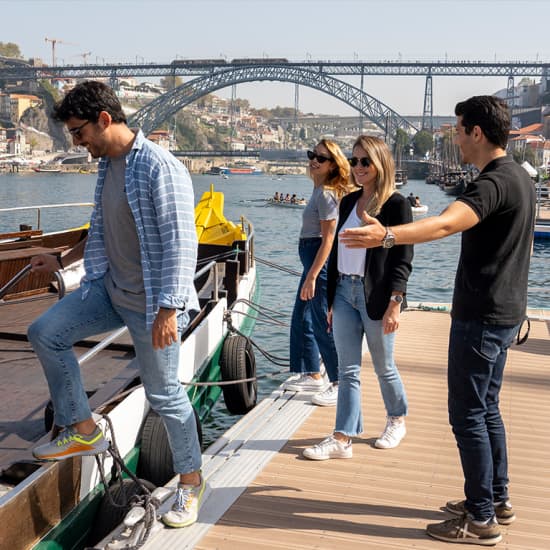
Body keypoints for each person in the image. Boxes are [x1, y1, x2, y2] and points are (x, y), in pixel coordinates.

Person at [340, 96, 535, 546]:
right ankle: (494, 500)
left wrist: (385, 235)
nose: (455, 137)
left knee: (467, 416)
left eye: (458, 129)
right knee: (487, 410)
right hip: (505, 315)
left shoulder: (491, 183)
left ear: (477, 133)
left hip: (481, 318)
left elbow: (447, 224)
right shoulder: (520, 179)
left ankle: (481, 519)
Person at [27, 81, 204, 529]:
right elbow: (103, 226)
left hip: (152, 305)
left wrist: (169, 308)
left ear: (105, 120)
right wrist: (64, 258)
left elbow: (183, 244)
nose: (76, 142)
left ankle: (191, 482)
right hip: (110, 289)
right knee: (45, 333)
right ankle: (83, 430)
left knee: (165, 395)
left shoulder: (159, 167)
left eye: (79, 131)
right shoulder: (108, 164)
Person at [302, 135, 413, 461]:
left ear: (380, 163)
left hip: (376, 295)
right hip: (345, 294)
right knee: (348, 370)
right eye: (354, 161)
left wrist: (396, 301)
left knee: (383, 366)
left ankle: (397, 418)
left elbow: (403, 258)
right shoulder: (349, 201)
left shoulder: (396, 204)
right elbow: (336, 252)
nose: (358, 167)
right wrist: (334, 298)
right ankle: (342, 438)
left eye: (365, 161)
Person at [285, 141, 351, 407]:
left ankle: (339, 382)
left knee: (322, 319)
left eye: (321, 158)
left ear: (333, 164)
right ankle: (312, 373)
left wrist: (313, 275)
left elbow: (329, 239)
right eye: (312, 155)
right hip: (311, 257)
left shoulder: (326, 194)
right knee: (303, 316)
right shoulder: (318, 189)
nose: (314, 161)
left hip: (318, 259)